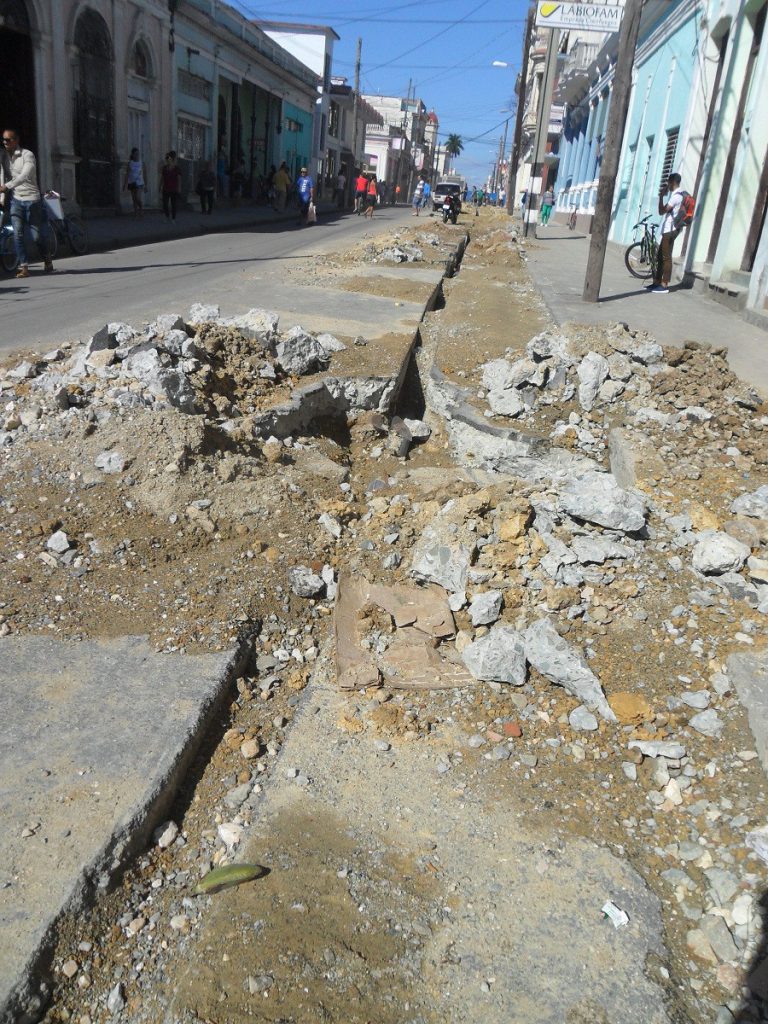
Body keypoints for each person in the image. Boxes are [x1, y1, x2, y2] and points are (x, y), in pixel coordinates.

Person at [0, 128, 54, 278]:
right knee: (17, 233)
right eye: (3, 140)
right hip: (16, 200)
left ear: (16, 141)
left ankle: (47, 257)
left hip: (32, 201)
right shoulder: (4, 156)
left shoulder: (27, 155)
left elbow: (25, 175)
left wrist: (7, 187)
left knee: (37, 237)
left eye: (8, 140)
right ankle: (24, 267)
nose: (5, 142)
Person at [650, 172, 685, 294]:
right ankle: (657, 282)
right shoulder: (678, 195)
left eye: (668, 183)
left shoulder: (676, 197)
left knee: (666, 257)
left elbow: (661, 211)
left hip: (670, 230)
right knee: (660, 256)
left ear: (672, 182)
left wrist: (661, 197)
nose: (667, 186)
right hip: (669, 229)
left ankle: (664, 284)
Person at [123, 147, 146, 216]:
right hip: (132, 182)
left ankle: (141, 209)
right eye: (136, 154)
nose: (137, 155)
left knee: (138, 197)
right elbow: (127, 174)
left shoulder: (142, 163)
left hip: (139, 183)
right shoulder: (130, 163)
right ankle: (135, 212)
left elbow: (145, 174)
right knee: (134, 199)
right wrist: (125, 184)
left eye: (138, 154)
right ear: (132, 155)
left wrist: (146, 184)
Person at [159, 151, 181, 223]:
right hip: (166, 188)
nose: (167, 159)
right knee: (165, 204)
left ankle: (173, 219)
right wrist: (160, 186)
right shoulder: (164, 168)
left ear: (172, 159)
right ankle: (167, 217)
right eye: (166, 158)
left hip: (174, 189)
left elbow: (179, 179)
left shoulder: (176, 168)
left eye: (168, 158)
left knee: (173, 205)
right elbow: (162, 178)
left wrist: (179, 188)